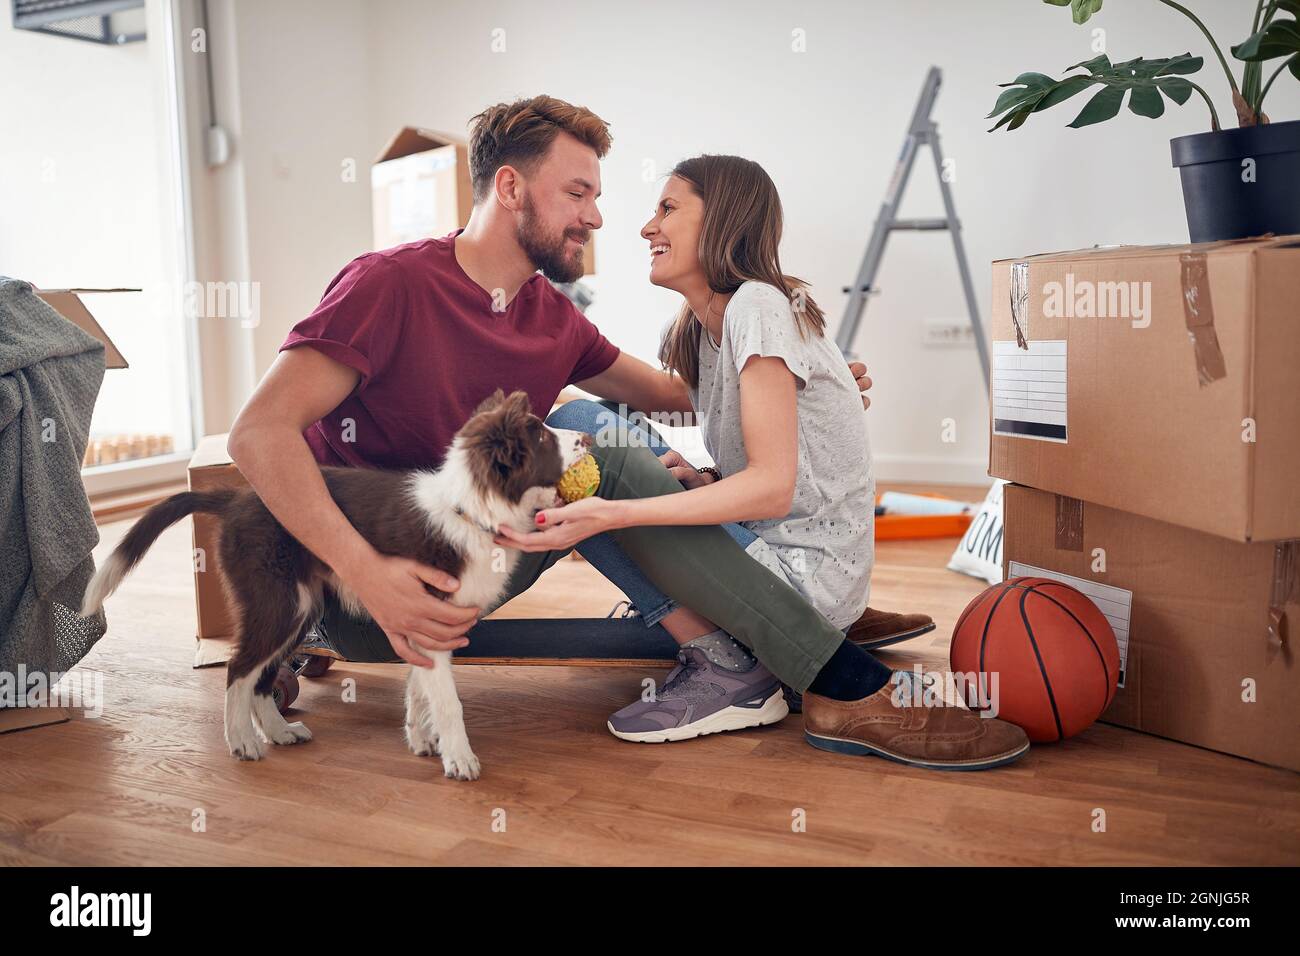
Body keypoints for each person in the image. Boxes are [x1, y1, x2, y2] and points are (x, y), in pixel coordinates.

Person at [229, 95, 1028, 770]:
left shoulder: (555, 320)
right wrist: (368, 574)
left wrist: (800, 372)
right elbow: (257, 435)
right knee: (587, 435)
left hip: (479, 569)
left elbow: (681, 394)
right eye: (577, 193)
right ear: (510, 187)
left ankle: (768, 634)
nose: (599, 217)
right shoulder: (388, 284)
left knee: (586, 429)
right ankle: (836, 676)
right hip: (362, 594)